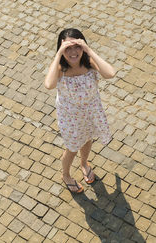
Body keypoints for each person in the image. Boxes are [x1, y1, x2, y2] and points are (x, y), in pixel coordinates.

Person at [44, 28, 116, 193]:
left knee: (88, 139)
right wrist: (58, 55)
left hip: (91, 111)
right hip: (70, 117)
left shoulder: (89, 63)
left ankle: (84, 163)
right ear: (61, 50)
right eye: (67, 48)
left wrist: (89, 50)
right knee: (72, 148)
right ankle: (66, 175)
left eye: (76, 46)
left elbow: (110, 73)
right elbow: (49, 85)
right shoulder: (60, 69)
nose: (73, 52)